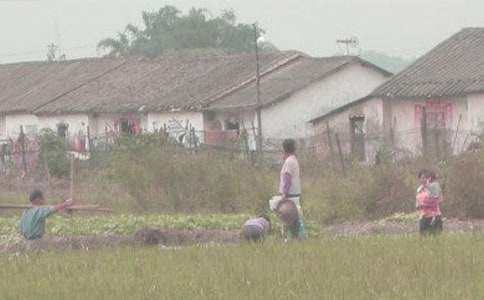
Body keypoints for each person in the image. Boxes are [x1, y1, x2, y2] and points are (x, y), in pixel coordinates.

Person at [278, 139, 306, 239]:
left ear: (284, 149)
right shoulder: (293, 159)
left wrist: (284, 194)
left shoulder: (289, 161)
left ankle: (294, 238)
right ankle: (298, 237)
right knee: (295, 217)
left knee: (289, 217)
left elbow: (287, 178)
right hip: (295, 193)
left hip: (289, 194)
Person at [416, 170, 443, 236]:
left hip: (434, 216)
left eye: (426, 177)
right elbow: (418, 202)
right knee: (423, 240)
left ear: (429, 178)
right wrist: (418, 207)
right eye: (422, 178)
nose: (424, 179)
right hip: (423, 217)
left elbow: (440, 200)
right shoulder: (419, 189)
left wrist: (426, 205)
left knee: (435, 239)